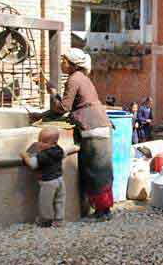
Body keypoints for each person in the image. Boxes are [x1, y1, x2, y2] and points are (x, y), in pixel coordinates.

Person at [31, 48, 114, 221]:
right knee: (101, 169)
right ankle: (103, 209)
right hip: (98, 124)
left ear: (72, 64)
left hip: (92, 127)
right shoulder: (81, 78)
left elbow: (63, 108)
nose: (62, 63)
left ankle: (102, 212)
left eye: (64, 61)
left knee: (95, 169)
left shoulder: (74, 79)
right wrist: (41, 115)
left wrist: (53, 93)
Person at [20, 128, 68, 228]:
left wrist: (25, 156)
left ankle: (45, 220)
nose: (40, 144)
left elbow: (33, 165)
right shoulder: (58, 149)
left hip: (48, 182)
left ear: (54, 142)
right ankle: (59, 220)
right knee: (59, 200)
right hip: (59, 179)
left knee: (45, 202)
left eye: (44, 142)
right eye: (39, 140)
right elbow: (64, 154)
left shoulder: (43, 155)